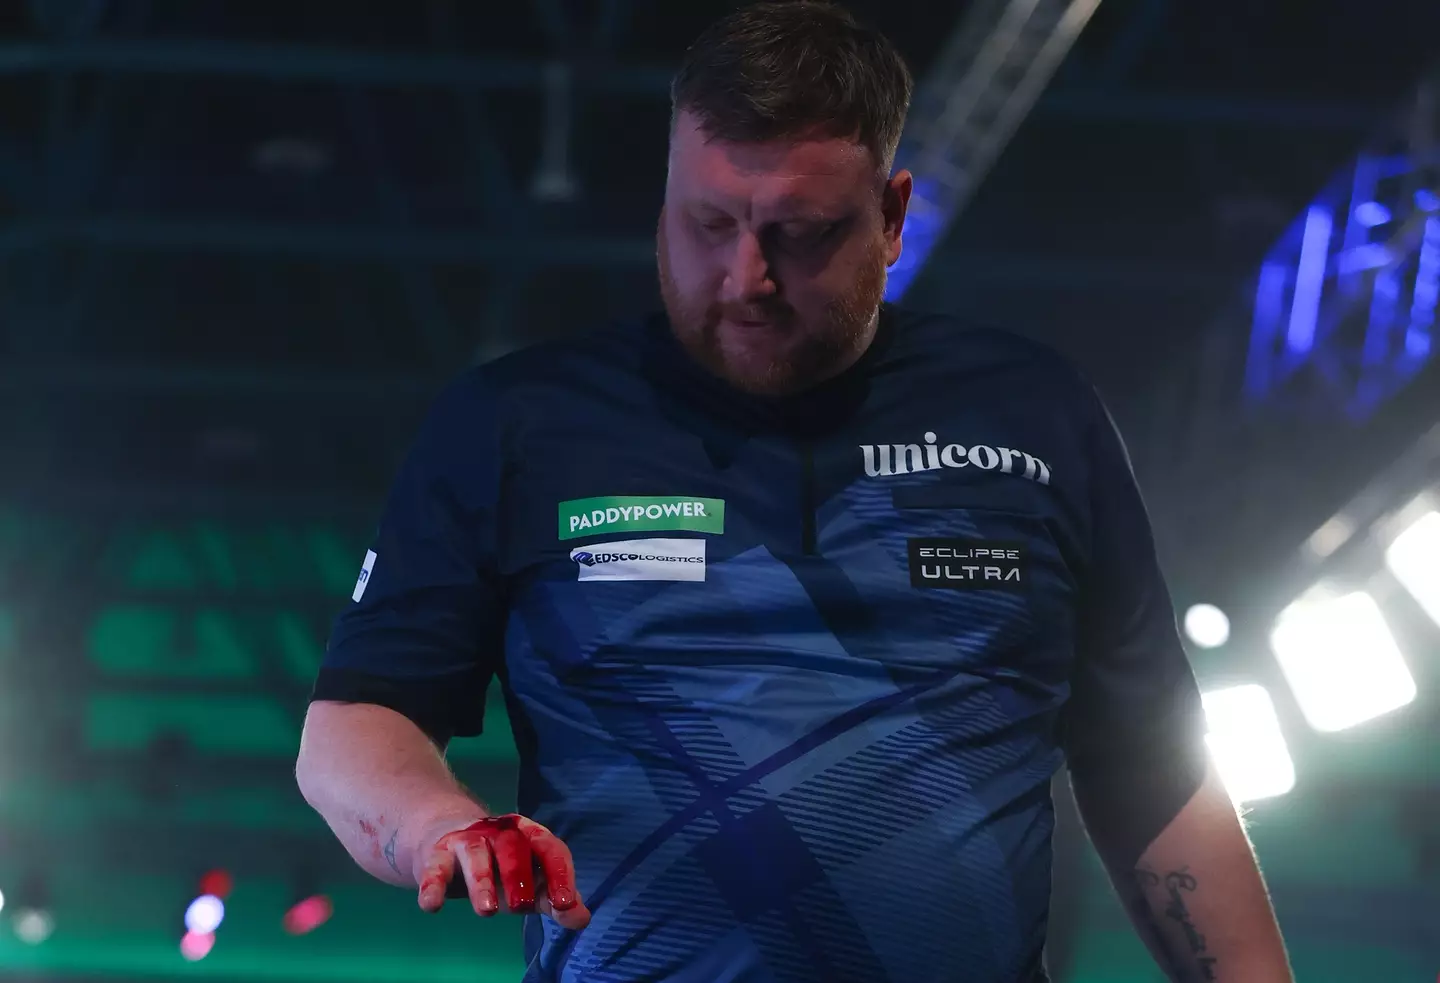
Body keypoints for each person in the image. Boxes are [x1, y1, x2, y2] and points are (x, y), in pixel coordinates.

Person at [295, 2, 1295, 981]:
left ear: (893, 216)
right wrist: (442, 822)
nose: (747, 277)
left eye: (800, 232)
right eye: (709, 221)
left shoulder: (1032, 415)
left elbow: (1153, 768)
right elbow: (351, 728)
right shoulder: (517, 422)